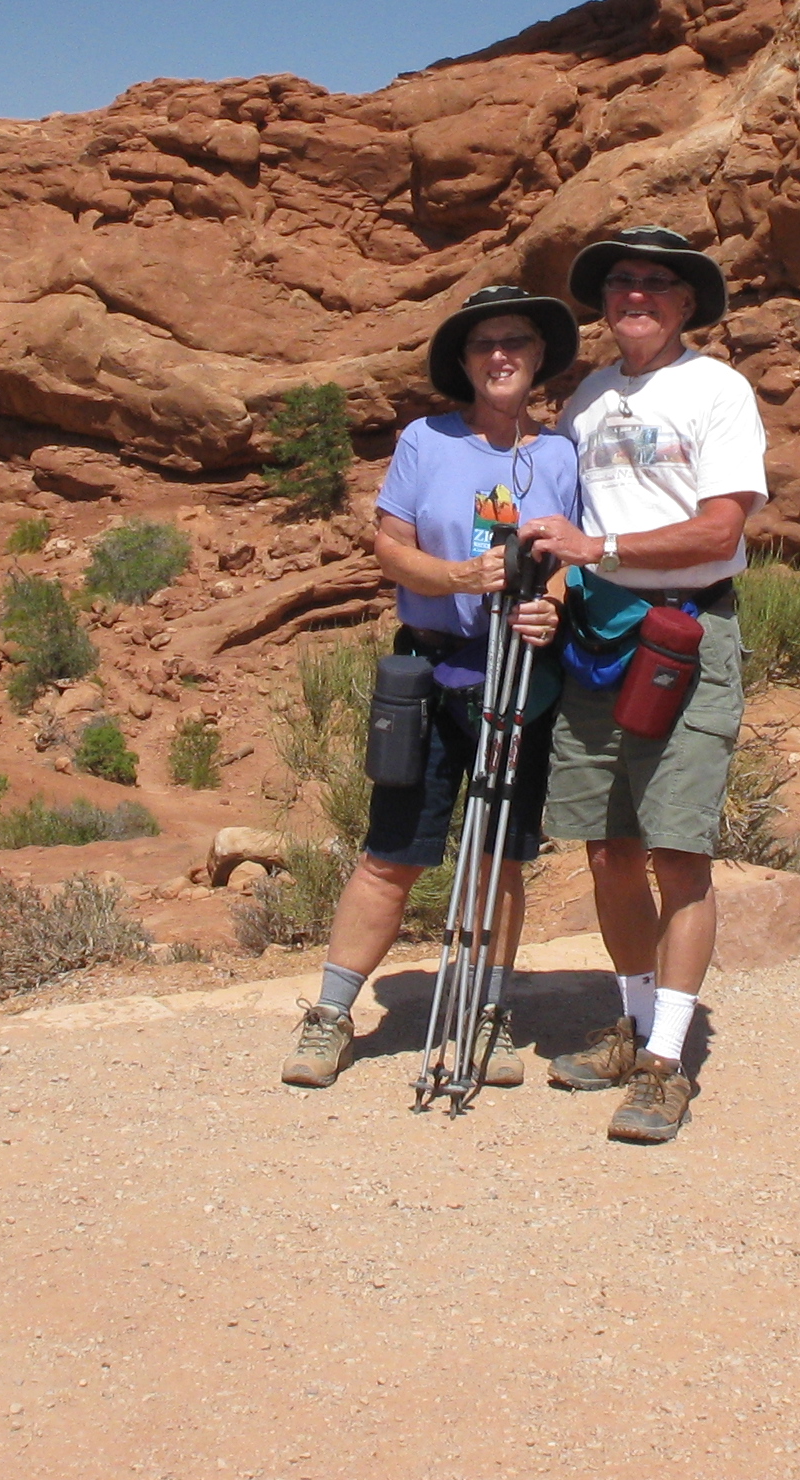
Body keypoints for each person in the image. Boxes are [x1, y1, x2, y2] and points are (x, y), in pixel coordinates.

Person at [281, 283, 580, 1090]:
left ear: (540, 355)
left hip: (519, 679)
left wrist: (550, 608)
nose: (501, 355)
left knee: (499, 857)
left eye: (516, 340)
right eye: (485, 344)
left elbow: (568, 568)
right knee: (393, 852)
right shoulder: (426, 439)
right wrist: (456, 574)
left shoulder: (558, 454)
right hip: (434, 666)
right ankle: (332, 1015)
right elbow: (390, 545)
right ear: (465, 360)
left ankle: (487, 1011)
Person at [521, 223, 766, 1145]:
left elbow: (718, 531)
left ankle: (667, 1062)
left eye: (657, 285)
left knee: (678, 852)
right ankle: (630, 1028)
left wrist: (605, 550)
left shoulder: (717, 390)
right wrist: (555, 579)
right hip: (597, 641)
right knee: (606, 847)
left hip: (684, 635)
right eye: (621, 282)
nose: (636, 295)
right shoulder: (588, 399)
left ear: (686, 303)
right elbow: (569, 521)